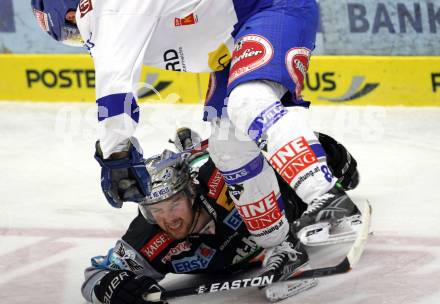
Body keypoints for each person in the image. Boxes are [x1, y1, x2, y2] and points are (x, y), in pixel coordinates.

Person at [31, 0, 358, 285]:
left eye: (67, 33)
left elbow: (114, 86)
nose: (78, 38)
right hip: (238, 33)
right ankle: (280, 246)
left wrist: (115, 156)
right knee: (228, 150)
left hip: (270, 4)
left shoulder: (101, 5)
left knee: (249, 100)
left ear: (65, 14)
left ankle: (324, 196)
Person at [82, 130, 361, 304]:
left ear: (191, 193)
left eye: (174, 204)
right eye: (157, 210)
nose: (169, 219)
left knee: (325, 161)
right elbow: (95, 276)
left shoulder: (221, 180)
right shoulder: (149, 236)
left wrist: (323, 156)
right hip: (244, 253)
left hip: (290, 204)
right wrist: (113, 288)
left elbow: (267, 142)